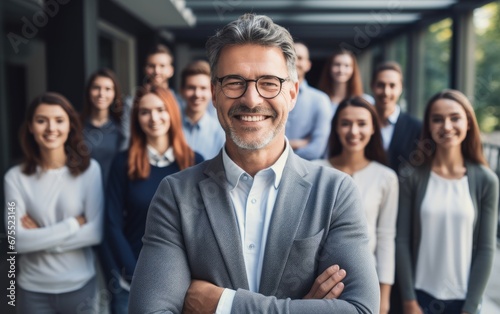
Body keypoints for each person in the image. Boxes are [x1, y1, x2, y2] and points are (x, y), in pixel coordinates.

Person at [129, 13, 379, 313]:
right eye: (234, 82)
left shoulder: (336, 192)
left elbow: (360, 309)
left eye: (269, 83)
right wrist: (302, 308)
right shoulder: (175, 194)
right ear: (214, 93)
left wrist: (224, 304)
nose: (251, 99)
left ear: (292, 93)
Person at [396, 89, 499, 314]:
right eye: (437, 119)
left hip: (464, 302)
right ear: (429, 126)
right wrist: (409, 301)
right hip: (419, 298)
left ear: (469, 123)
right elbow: (401, 240)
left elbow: (486, 249)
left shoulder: (486, 180)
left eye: (455, 118)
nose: (447, 126)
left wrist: (471, 307)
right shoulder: (412, 176)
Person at [105, 86, 203, 313]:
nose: (154, 118)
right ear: (136, 118)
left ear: (172, 113)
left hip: (184, 279)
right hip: (131, 276)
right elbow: (112, 224)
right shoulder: (123, 163)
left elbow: (203, 225)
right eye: (145, 112)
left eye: (160, 110)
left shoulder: (194, 161)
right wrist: (132, 273)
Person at [3, 92, 104, 313]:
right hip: (32, 291)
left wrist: (40, 236)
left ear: (70, 125)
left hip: (80, 287)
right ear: (30, 126)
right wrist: (73, 225)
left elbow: (95, 233)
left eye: (59, 120)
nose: (51, 128)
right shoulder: (14, 178)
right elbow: (15, 242)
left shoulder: (90, 171)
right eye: (41, 121)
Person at [314, 96, 398, 314]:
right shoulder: (315, 171)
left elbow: (386, 237)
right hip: (318, 281)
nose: (353, 131)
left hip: (365, 285)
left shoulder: (386, 178)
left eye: (361, 123)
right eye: (345, 123)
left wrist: (384, 295)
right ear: (336, 128)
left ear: (373, 128)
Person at [371, 61, 421, 175]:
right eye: (380, 85)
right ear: (372, 86)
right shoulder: (361, 124)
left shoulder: (416, 128)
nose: (386, 92)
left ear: (401, 88)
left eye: (392, 86)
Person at [285, 42, 332, 160]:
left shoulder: (320, 100)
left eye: (300, 58)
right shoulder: (270, 96)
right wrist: (296, 144)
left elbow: (317, 149)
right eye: (291, 57)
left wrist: (279, 157)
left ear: (308, 65)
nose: (295, 62)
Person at [82, 68, 127, 187]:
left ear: (114, 94)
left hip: (111, 192)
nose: (101, 94)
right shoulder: (76, 127)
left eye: (108, 89)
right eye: (96, 88)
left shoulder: (121, 131)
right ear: (89, 91)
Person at [180, 60, 225, 160]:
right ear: (182, 91)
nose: (197, 94)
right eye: (191, 88)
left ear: (212, 92)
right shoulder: (169, 126)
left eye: (203, 88)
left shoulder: (220, 131)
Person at [318, 48, 374, 115]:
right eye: (337, 64)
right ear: (329, 68)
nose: (341, 70)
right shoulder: (318, 100)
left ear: (353, 70)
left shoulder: (366, 101)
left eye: (347, 66)